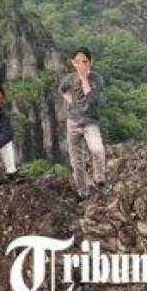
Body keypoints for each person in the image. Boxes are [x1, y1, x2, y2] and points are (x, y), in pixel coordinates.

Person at [58, 46, 107, 197]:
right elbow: (62, 89)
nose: (81, 65)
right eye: (78, 62)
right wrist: (70, 101)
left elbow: (92, 100)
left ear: (90, 62)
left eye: (85, 62)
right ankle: (82, 191)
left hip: (90, 122)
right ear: (73, 63)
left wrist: (84, 78)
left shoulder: (96, 78)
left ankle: (99, 179)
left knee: (97, 149)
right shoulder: (69, 79)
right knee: (76, 161)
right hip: (72, 123)